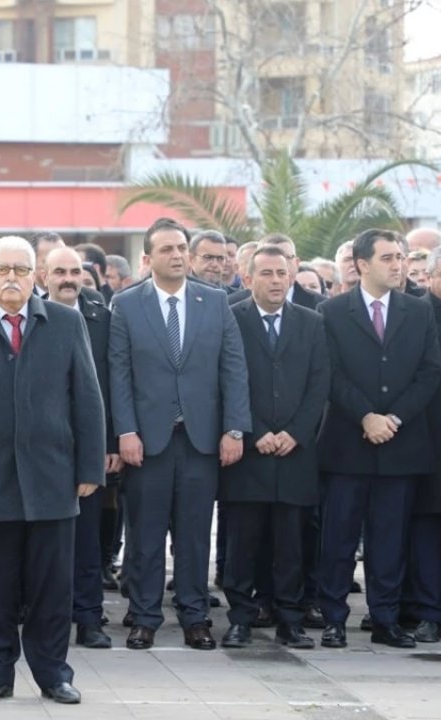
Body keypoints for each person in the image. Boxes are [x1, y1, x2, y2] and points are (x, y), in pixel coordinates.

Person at [0, 237, 103, 705]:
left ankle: (53, 674)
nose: (12, 277)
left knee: (53, 587)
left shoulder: (67, 324)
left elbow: (87, 399)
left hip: (53, 475)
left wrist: (90, 465)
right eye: (2, 268)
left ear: (38, 276)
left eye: (22, 269)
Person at [108, 217, 251, 651]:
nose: (176, 255)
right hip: (147, 440)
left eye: (181, 248)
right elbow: (119, 373)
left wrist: (234, 429)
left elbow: (233, 367)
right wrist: (125, 431)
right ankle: (146, 617)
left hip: (201, 438)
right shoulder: (127, 304)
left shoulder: (215, 301)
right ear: (147, 258)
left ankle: (195, 616)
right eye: (166, 249)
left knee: (193, 533)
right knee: (146, 534)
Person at [315, 229, 441, 649]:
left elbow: (429, 373)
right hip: (348, 444)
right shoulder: (332, 312)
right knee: (338, 538)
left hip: (401, 445)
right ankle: (334, 619)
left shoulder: (417, 311)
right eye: (388, 257)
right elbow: (330, 374)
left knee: (389, 540)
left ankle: (385, 618)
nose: (398, 265)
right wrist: (366, 415)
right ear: (362, 264)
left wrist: (394, 417)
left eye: (401, 257)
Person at [219, 245, 329, 650]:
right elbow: (226, 380)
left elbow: (320, 384)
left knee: (291, 544)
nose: (276, 280)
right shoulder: (231, 319)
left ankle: (289, 620)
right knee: (243, 544)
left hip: (295, 454)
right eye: (266, 273)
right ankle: (240, 619)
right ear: (248, 279)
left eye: (282, 273)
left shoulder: (312, 322)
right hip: (249, 454)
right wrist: (254, 431)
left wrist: (296, 432)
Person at [40, 247, 119, 650]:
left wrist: (108, 444)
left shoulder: (102, 318)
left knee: (86, 540)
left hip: (87, 449)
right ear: (44, 276)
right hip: (40, 451)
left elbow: (109, 384)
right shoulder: (30, 318)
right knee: (44, 543)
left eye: (75, 271)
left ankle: (89, 619)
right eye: (60, 272)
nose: (68, 278)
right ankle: (45, 618)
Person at [405, 245, 441, 643]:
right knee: (427, 534)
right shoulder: (416, 315)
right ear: (430, 278)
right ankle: (430, 613)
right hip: (427, 442)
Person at [227, 235, 324, 310]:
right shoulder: (231, 305)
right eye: (269, 259)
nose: (279, 264)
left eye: (286, 258)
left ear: (297, 263)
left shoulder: (320, 305)